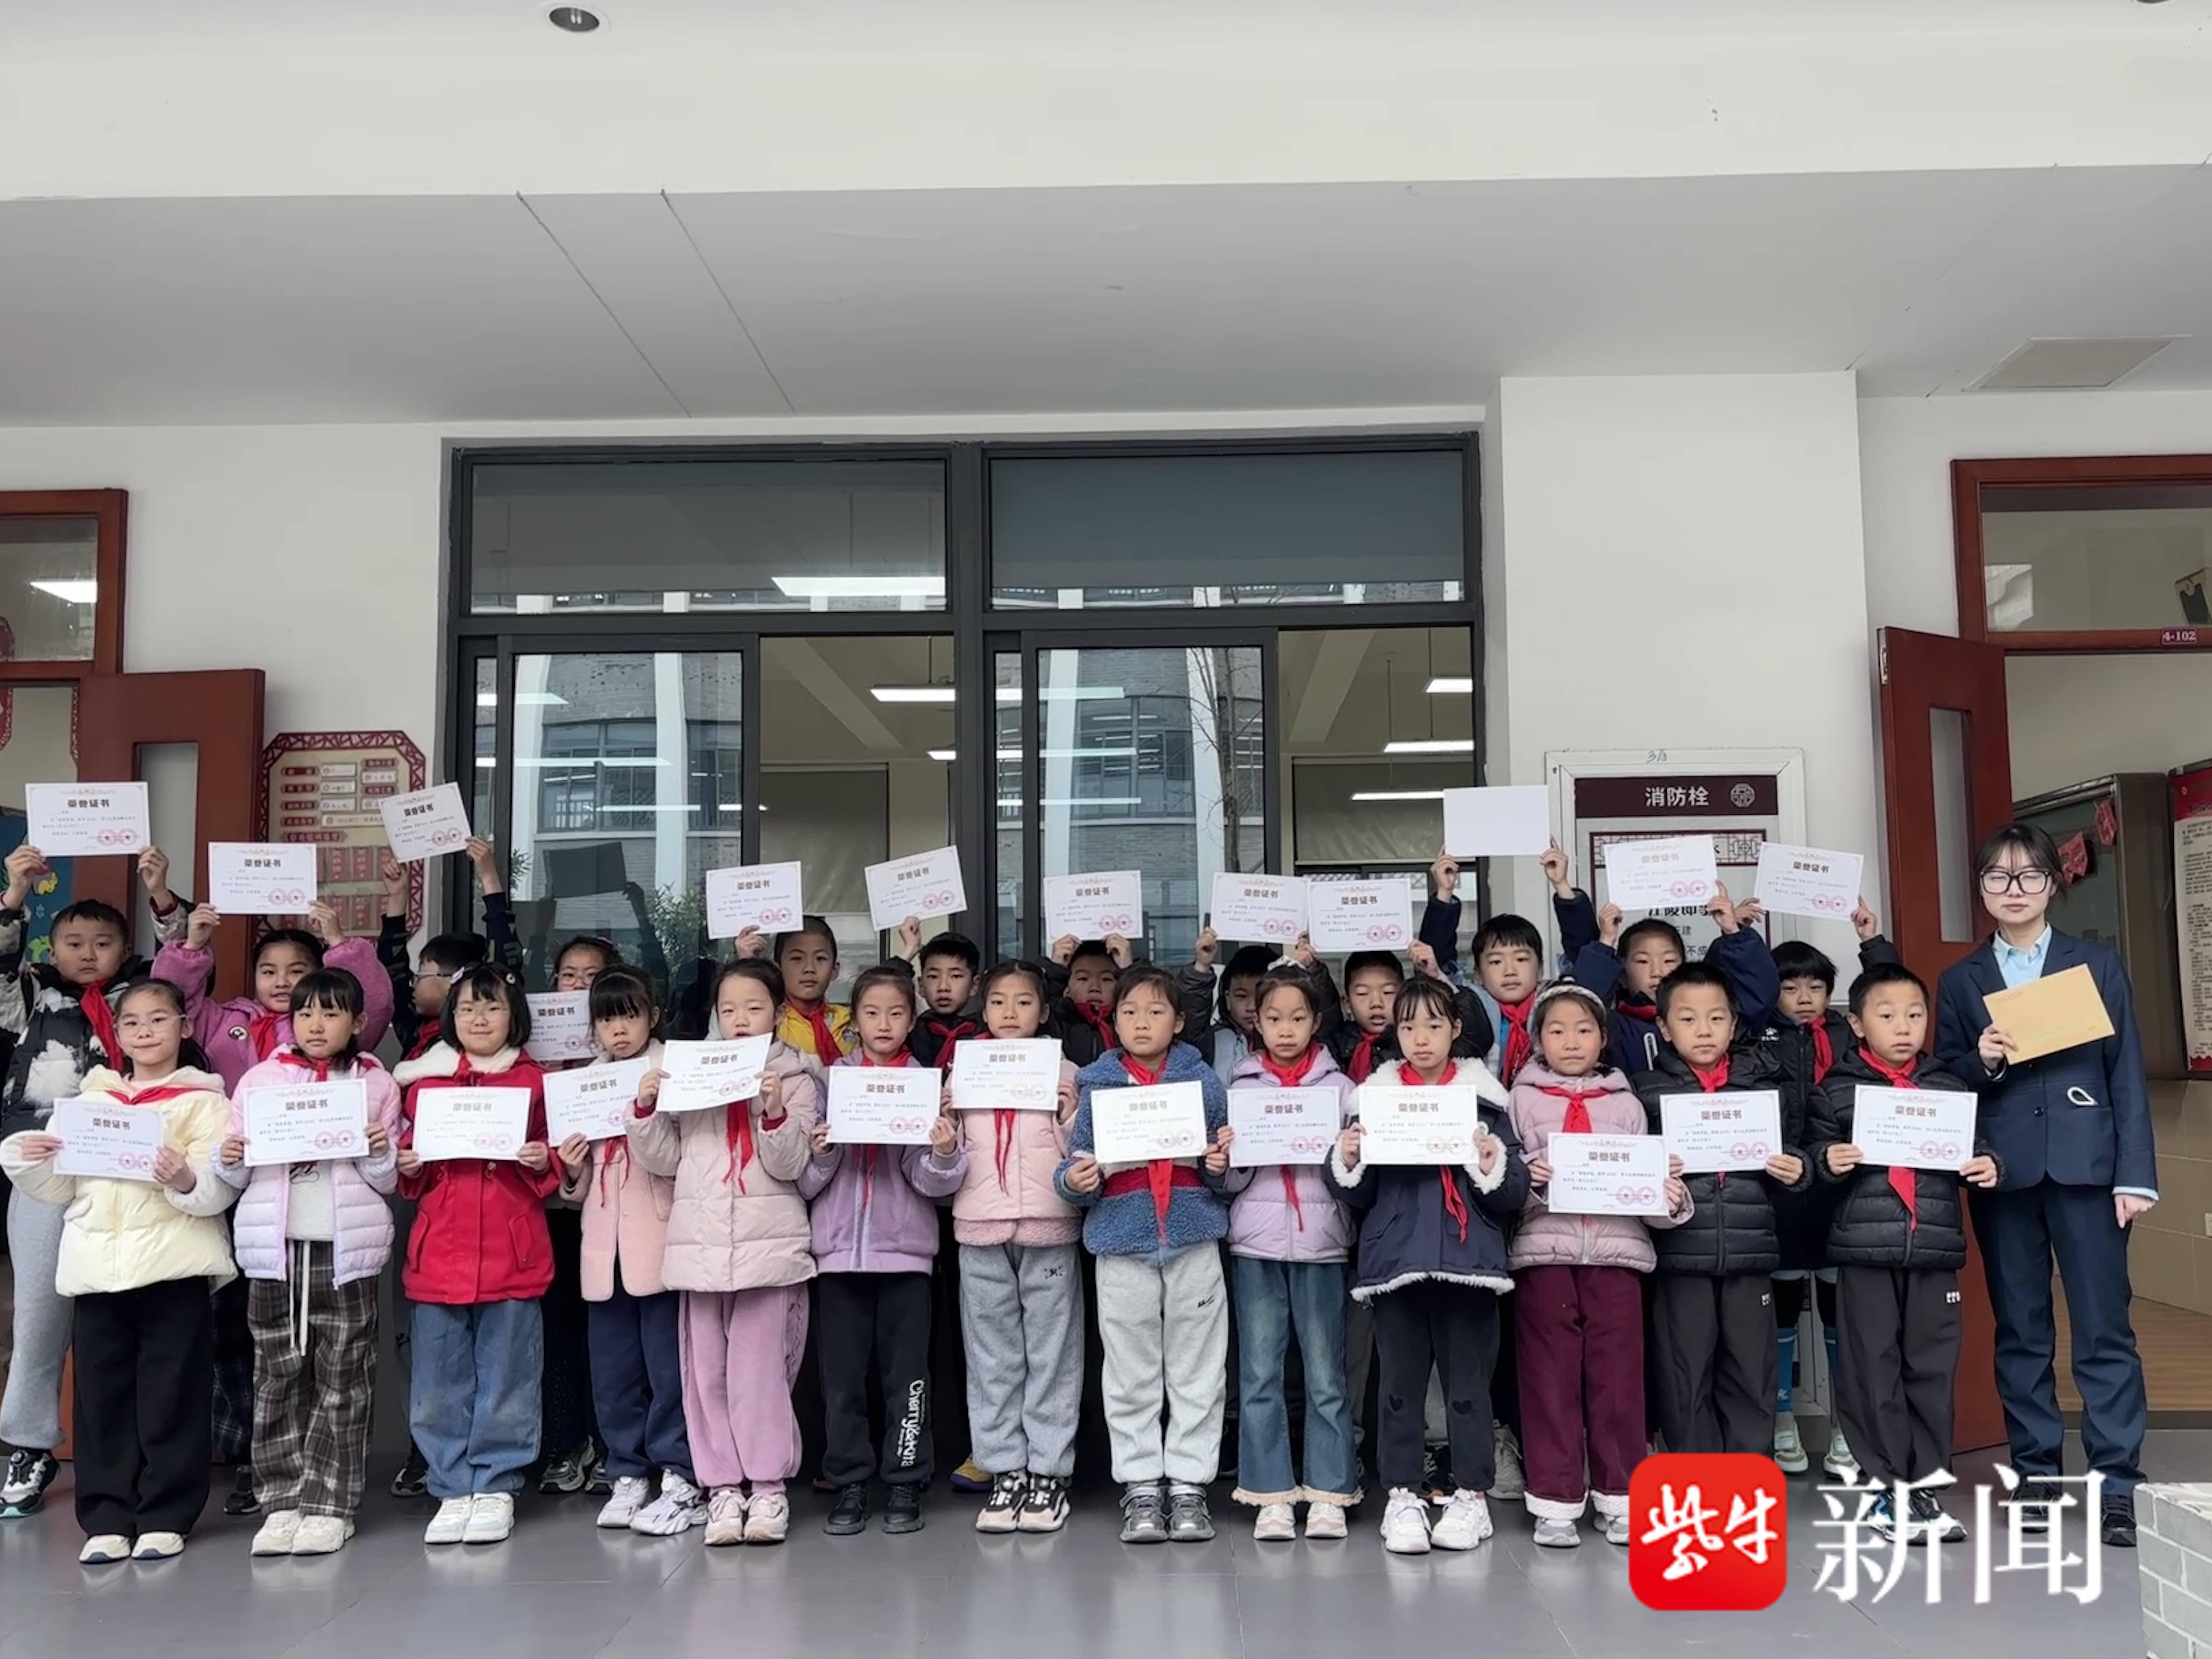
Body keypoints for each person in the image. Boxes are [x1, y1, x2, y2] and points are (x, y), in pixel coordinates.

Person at [1935, 821, 2156, 1549]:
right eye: (1997, 877)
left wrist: (2135, 1175)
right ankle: (2035, 1475)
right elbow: (1946, 1081)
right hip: (2004, 1173)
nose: (2014, 890)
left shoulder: (2094, 963)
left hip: (2090, 1170)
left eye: (2028, 875)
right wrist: (1982, 1059)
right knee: (2022, 1330)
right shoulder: (1961, 981)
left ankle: (2117, 1481)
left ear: (2051, 884)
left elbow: (2124, 1071)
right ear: (1981, 889)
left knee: (2104, 1327)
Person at [0, 979, 236, 1562]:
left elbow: (219, 1189)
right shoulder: (89, 1103)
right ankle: (106, 1517)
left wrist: (185, 1178)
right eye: (132, 1023)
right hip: (97, 1270)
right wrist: (28, 1158)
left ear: (184, 1026)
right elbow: (60, 1189)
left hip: (173, 1269)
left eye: (159, 1019)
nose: (145, 1032)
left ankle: (165, 1515)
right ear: (118, 1036)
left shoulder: (207, 1103)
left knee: (172, 1396)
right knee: (101, 1399)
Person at [1324, 975, 1526, 1556]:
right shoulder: (1372, 1102)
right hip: (1397, 1264)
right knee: (1399, 1389)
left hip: (1469, 1264)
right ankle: (1403, 1495)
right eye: (1409, 1026)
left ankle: (1471, 1495)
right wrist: (1348, 1157)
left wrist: (1490, 1162)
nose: (1421, 1038)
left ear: (1456, 1029)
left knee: (1469, 1389)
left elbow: (1513, 1191)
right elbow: (1355, 1195)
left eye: (1434, 1025)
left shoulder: (1487, 1102)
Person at [628, 958, 820, 1547]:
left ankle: (768, 1488)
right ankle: (721, 1489)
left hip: (769, 1249)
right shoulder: (692, 1071)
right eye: (729, 1009)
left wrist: (774, 1111)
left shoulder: (797, 1076)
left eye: (754, 1008)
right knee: (705, 1375)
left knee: (759, 1375)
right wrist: (646, 1110)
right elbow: (666, 1160)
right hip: (701, 1248)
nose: (740, 1019)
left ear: (778, 1012)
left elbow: (794, 1166)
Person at [1807, 960, 1999, 1544]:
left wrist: (1990, 1164)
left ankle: (1925, 1488)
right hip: (1866, 1252)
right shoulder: (1835, 1090)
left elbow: (1975, 1147)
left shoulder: (1948, 1086)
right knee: (1873, 1370)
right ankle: (1886, 1488)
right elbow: (1812, 1159)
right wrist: (1827, 1161)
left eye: (1915, 1015)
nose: (1903, 1027)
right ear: (1857, 1024)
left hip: (1933, 1250)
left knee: (1931, 1372)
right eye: (1887, 1015)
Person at [213, 967, 403, 1556]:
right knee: (276, 1376)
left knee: (344, 1377)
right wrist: (230, 1156)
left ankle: (330, 1503)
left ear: (358, 1022)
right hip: (274, 1250)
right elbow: (235, 1172)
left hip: (345, 1250)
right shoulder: (262, 1080)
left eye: (331, 1013)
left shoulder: (375, 1083)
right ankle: (282, 1501)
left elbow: (389, 1179)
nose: (316, 1025)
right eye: (305, 1014)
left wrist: (379, 1152)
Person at [0, 844, 158, 1521]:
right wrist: (15, 892)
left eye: (103, 942)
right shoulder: (30, 996)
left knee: (128, 1313)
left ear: (126, 948)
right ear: (51, 947)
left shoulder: (144, 999)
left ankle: (130, 1450)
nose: (88, 953)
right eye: (73, 942)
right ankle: (29, 1443)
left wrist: (160, 892)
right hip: (45, 1168)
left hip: (126, 1169)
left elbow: (186, 961)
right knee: (39, 1310)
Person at [1508, 981, 1690, 1547]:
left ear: (1604, 1038)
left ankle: (1621, 1495)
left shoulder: (1627, 1104)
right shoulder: (1519, 1101)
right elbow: (1502, 1187)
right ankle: (1556, 1499)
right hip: (1544, 1254)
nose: (1571, 1041)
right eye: (1557, 1030)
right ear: (1538, 1039)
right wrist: (1529, 1182)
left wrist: (1667, 1195)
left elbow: (1648, 1196)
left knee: (1619, 1378)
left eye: (1584, 1030)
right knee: (1548, 1377)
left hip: (1617, 1256)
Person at [1056, 963, 1233, 1545]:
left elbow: (1222, 1172)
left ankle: (1188, 1484)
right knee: (1130, 1374)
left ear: (1179, 1022)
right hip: (1122, 1242)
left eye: (1156, 1012)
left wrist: (1219, 1168)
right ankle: (1139, 1485)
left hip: (1192, 1239)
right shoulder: (1097, 1086)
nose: (1141, 1022)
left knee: (1197, 1370)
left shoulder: (1204, 1085)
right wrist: (1074, 1182)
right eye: (1129, 1011)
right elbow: (1075, 1165)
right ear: (1114, 1021)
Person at [393, 965, 559, 1547]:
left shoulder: (536, 1083)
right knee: (438, 1382)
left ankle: (496, 1485)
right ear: (450, 1018)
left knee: (508, 1376)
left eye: (492, 1008)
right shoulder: (426, 1086)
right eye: (467, 1009)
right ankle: (450, 1485)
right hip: (439, 1254)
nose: (479, 1019)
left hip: (512, 1253)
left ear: (515, 1016)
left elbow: (558, 1159)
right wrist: (408, 1163)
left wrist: (543, 1160)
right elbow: (412, 1169)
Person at [800, 965, 967, 1536]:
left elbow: (932, 1184)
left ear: (912, 1018)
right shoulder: (831, 1083)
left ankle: (905, 1479)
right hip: (839, 1257)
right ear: (855, 1021)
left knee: (908, 1379)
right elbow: (805, 1182)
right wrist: (824, 1153)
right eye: (872, 1013)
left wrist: (944, 1151)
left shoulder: (925, 1085)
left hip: (906, 1257)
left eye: (896, 1013)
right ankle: (849, 1480)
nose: (884, 1024)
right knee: (842, 1379)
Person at [1630, 962, 1810, 1457]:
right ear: (1665, 1027)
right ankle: (1697, 1485)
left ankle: (1746, 1484)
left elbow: (1795, 1155)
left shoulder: (1763, 1089)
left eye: (1716, 1018)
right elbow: (1628, 1176)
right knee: (1685, 1378)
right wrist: (1650, 1173)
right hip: (1680, 1258)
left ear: (1734, 1024)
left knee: (1752, 1376)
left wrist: (1797, 1170)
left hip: (1750, 1256)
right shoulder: (1645, 1093)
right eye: (1688, 1019)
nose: (1704, 1030)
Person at [553, 965, 703, 1538]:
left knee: (668, 1369)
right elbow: (577, 1190)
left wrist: (646, 1109)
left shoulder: (671, 1074)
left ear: (653, 1018)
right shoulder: (583, 1085)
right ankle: (627, 1472)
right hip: (604, 1249)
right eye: (607, 1020)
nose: (618, 1030)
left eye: (630, 1017)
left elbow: (676, 1161)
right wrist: (571, 1171)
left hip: (659, 1241)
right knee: (613, 1372)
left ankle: (678, 1469)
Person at [1761, 901, 1898, 1481]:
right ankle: (1783, 1418)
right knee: (1783, 1310)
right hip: (1782, 1191)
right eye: (1790, 987)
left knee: (1843, 1313)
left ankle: (1847, 1426)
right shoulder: (1756, 1038)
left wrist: (1873, 942)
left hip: (1844, 1190)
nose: (1804, 997)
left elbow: (1889, 994)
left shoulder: (1850, 1034)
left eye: (1816, 987)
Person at [1221, 966, 1357, 1542]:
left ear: (1316, 1021)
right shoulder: (1240, 1088)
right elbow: (1228, 1183)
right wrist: (1227, 1156)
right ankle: (1270, 1493)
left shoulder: (1341, 1089)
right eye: (1274, 1018)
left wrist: (1351, 1152)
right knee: (1259, 1374)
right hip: (1255, 1243)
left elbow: (1355, 1179)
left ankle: (1329, 1491)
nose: (1285, 1029)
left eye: (1297, 1018)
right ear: (1256, 1022)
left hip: (1323, 1243)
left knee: (1326, 1375)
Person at [950, 959, 1083, 1534]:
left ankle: (1049, 1473)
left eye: (1024, 1002)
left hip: (1049, 1226)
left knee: (1053, 1356)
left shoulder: (1066, 1072)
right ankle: (1004, 1468)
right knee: (992, 1357)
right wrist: (942, 1135)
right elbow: (945, 1161)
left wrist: (1067, 1115)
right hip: (981, 1228)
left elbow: (1084, 1152)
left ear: (1044, 1012)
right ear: (983, 1010)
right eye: (999, 1002)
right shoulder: (962, 1073)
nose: (1010, 1012)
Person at [154, 897, 393, 1092]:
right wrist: (192, 947)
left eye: (296, 972)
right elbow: (164, 1005)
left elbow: (376, 1005)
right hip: (228, 1132)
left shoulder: (328, 1024)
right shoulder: (219, 1021)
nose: (281, 982)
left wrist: (338, 942)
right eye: (269, 972)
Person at [538, 933, 617, 1499]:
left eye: (593, 977)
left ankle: (612, 1446)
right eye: (569, 974)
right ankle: (567, 1444)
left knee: (608, 1336)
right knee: (559, 1331)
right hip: (551, 1211)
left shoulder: (624, 1050)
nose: (579, 986)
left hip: (613, 1212)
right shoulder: (533, 1049)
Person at [1564, 879, 1780, 1076]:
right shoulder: (1613, 1028)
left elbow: (1758, 994)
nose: (1658, 972)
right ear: (1621, 974)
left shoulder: (1709, 1022)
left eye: (1669, 961)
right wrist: (1606, 942)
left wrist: (1733, 932)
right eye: (1643, 962)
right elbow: (1581, 1008)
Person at [378, 839, 523, 1063]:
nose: (412, 983)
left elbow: (505, 960)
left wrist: (489, 877)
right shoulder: (417, 1031)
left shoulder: (487, 1034)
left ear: (455, 981)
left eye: (421, 974)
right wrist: (398, 897)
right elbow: (392, 973)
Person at [1176, 931, 1279, 1083]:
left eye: (1260, 997)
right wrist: (1202, 967)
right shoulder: (1214, 1041)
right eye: (1241, 996)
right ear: (1228, 999)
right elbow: (1193, 1018)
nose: (1251, 1007)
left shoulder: (1288, 1040)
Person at [768, 916, 851, 1062]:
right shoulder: (770, 1022)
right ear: (778, 968)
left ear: (835, 970)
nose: (809, 969)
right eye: (797, 959)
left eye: (820, 959)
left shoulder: (850, 1021)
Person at [1047, 935, 1131, 1068]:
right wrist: (1056, 971)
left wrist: (1129, 972)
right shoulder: (1057, 1022)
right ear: (1067, 989)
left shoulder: (1130, 1024)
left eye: (1106, 979)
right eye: (1083, 979)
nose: (1095, 988)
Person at [905, 927, 982, 1068]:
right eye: (934, 977)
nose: (943, 987)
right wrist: (909, 951)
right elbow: (882, 993)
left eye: (956, 976)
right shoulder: (909, 1032)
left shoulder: (985, 1031)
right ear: (921, 986)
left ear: (974, 985)